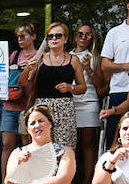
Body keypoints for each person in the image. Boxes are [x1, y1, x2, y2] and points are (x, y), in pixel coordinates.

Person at [5, 104, 76, 184]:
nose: (37, 125)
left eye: (41, 121)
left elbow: (62, 182)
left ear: (50, 124)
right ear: (27, 128)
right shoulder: (18, 153)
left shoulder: (65, 151)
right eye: (32, 123)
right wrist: (19, 164)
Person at [18, 21, 85, 152]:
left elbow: (82, 87)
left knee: (65, 150)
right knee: (41, 149)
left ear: (65, 38)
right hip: (42, 108)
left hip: (65, 109)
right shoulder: (40, 59)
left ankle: (63, 173)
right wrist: (27, 70)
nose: (54, 39)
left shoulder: (73, 60)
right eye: (50, 36)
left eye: (58, 36)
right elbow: (22, 83)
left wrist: (70, 87)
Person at [1, 24, 39, 184]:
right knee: (7, 144)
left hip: (30, 106)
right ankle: (5, 182)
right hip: (10, 104)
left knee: (27, 144)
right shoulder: (14, 55)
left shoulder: (40, 55)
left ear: (33, 36)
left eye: (23, 36)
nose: (20, 39)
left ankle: (27, 180)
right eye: (18, 36)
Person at [72, 23, 104, 184]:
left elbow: (101, 85)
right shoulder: (65, 54)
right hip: (69, 103)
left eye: (88, 34)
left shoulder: (96, 56)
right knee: (69, 145)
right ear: (75, 36)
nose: (83, 37)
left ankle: (87, 182)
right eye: (80, 34)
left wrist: (88, 68)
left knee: (88, 144)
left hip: (89, 102)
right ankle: (71, 182)